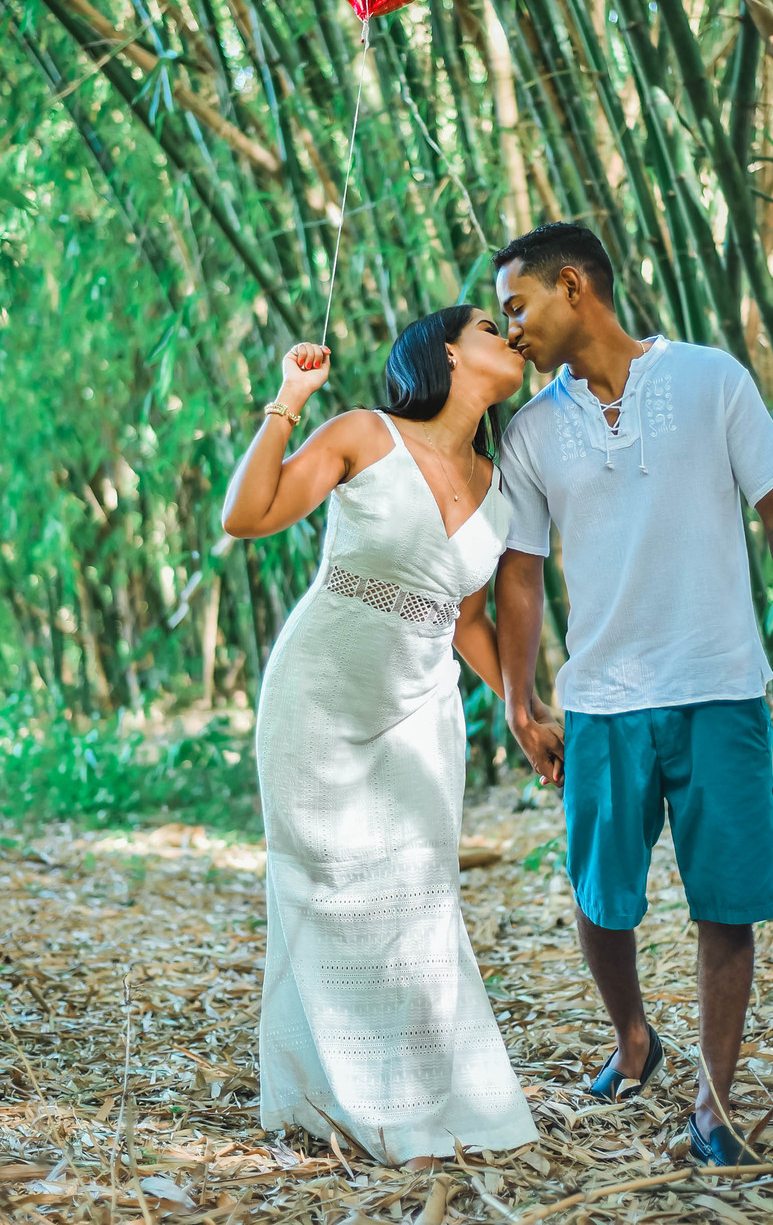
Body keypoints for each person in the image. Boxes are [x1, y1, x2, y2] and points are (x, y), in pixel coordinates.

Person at [492, 223, 773, 1167]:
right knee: (602, 898)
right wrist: (521, 700)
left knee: (726, 904)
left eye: (517, 306)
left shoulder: (708, 377)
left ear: (573, 287)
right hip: (601, 696)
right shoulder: (529, 430)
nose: (509, 328)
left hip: (718, 680)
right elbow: (517, 574)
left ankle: (713, 1104)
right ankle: (635, 1039)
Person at [222, 306, 549, 1169]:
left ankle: (420, 1098)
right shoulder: (365, 432)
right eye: (491, 322)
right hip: (319, 694)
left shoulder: (499, 485)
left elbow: (467, 620)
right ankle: (332, 1093)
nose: (511, 334)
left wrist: (523, 707)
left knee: (417, 895)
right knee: (325, 885)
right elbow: (247, 515)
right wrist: (290, 397)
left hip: (419, 707)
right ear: (445, 349)